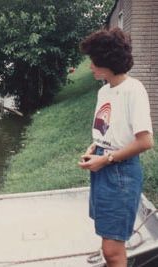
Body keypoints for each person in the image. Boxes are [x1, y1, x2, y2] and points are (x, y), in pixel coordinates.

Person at [78, 27, 154, 267]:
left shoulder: (134, 90)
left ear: (107, 62)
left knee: (112, 250)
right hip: (103, 166)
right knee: (108, 238)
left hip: (120, 173)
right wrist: (94, 148)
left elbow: (145, 141)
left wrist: (106, 159)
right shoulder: (104, 91)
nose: (90, 66)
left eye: (94, 61)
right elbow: (106, 130)